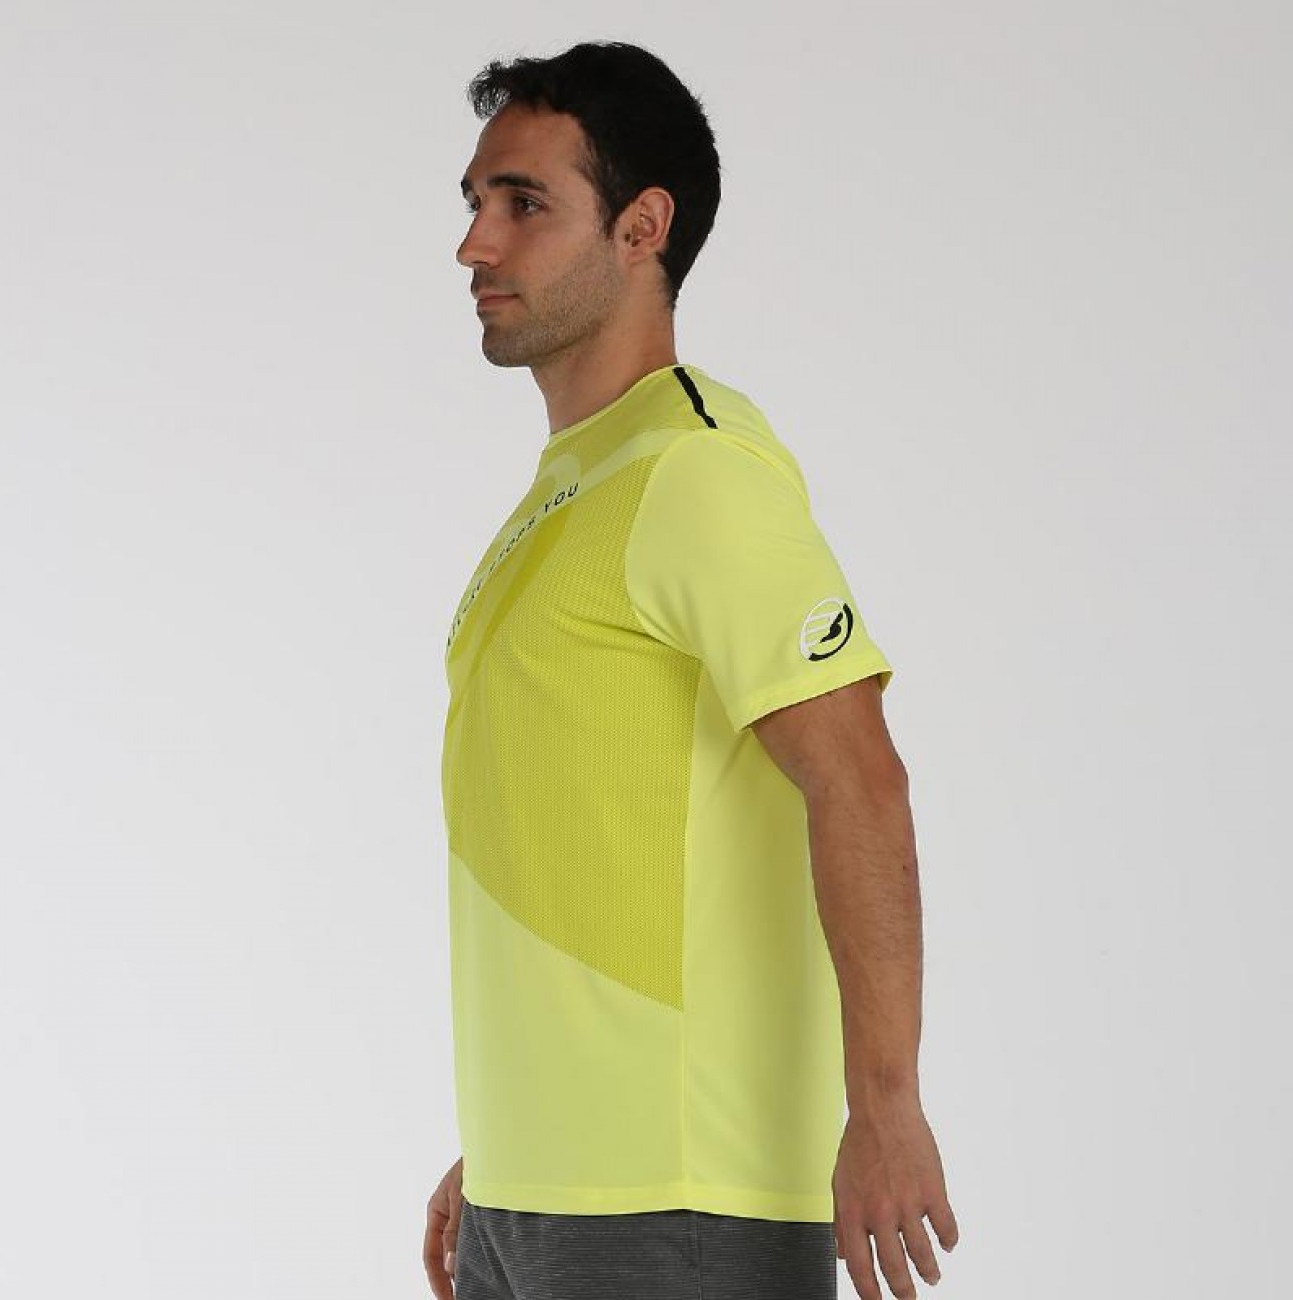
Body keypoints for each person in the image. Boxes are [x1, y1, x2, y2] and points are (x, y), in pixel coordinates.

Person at [422, 40, 959, 1300]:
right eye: (475, 201)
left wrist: (885, 1106)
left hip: (677, 1205)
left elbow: (860, 779)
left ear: (641, 226)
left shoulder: (697, 474)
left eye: (523, 203)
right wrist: (511, 1144)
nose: (474, 244)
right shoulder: (574, 487)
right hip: (541, 1192)